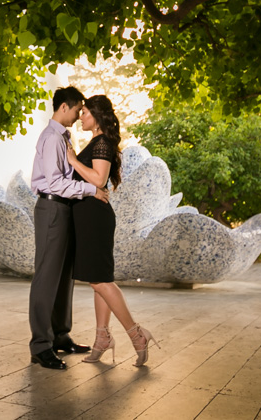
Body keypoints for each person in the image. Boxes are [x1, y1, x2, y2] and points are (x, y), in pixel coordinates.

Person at [66, 95, 159, 366]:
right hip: (88, 217)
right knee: (98, 281)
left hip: (95, 218)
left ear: (96, 115)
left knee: (101, 281)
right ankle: (102, 338)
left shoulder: (103, 142)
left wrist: (72, 160)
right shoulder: (97, 142)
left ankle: (137, 335)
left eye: (84, 113)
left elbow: (99, 179)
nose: (80, 117)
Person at [29, 86, 110, 370]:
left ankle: (60, 337)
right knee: (47, 277)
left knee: (64, 277)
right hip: (51, 207)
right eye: (77, 110)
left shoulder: (64, 137)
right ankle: (41, 346)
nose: (78, 117)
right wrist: (90, 189)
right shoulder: (52, 138)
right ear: (65, 107)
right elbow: (54, 183)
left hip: (64, 209)